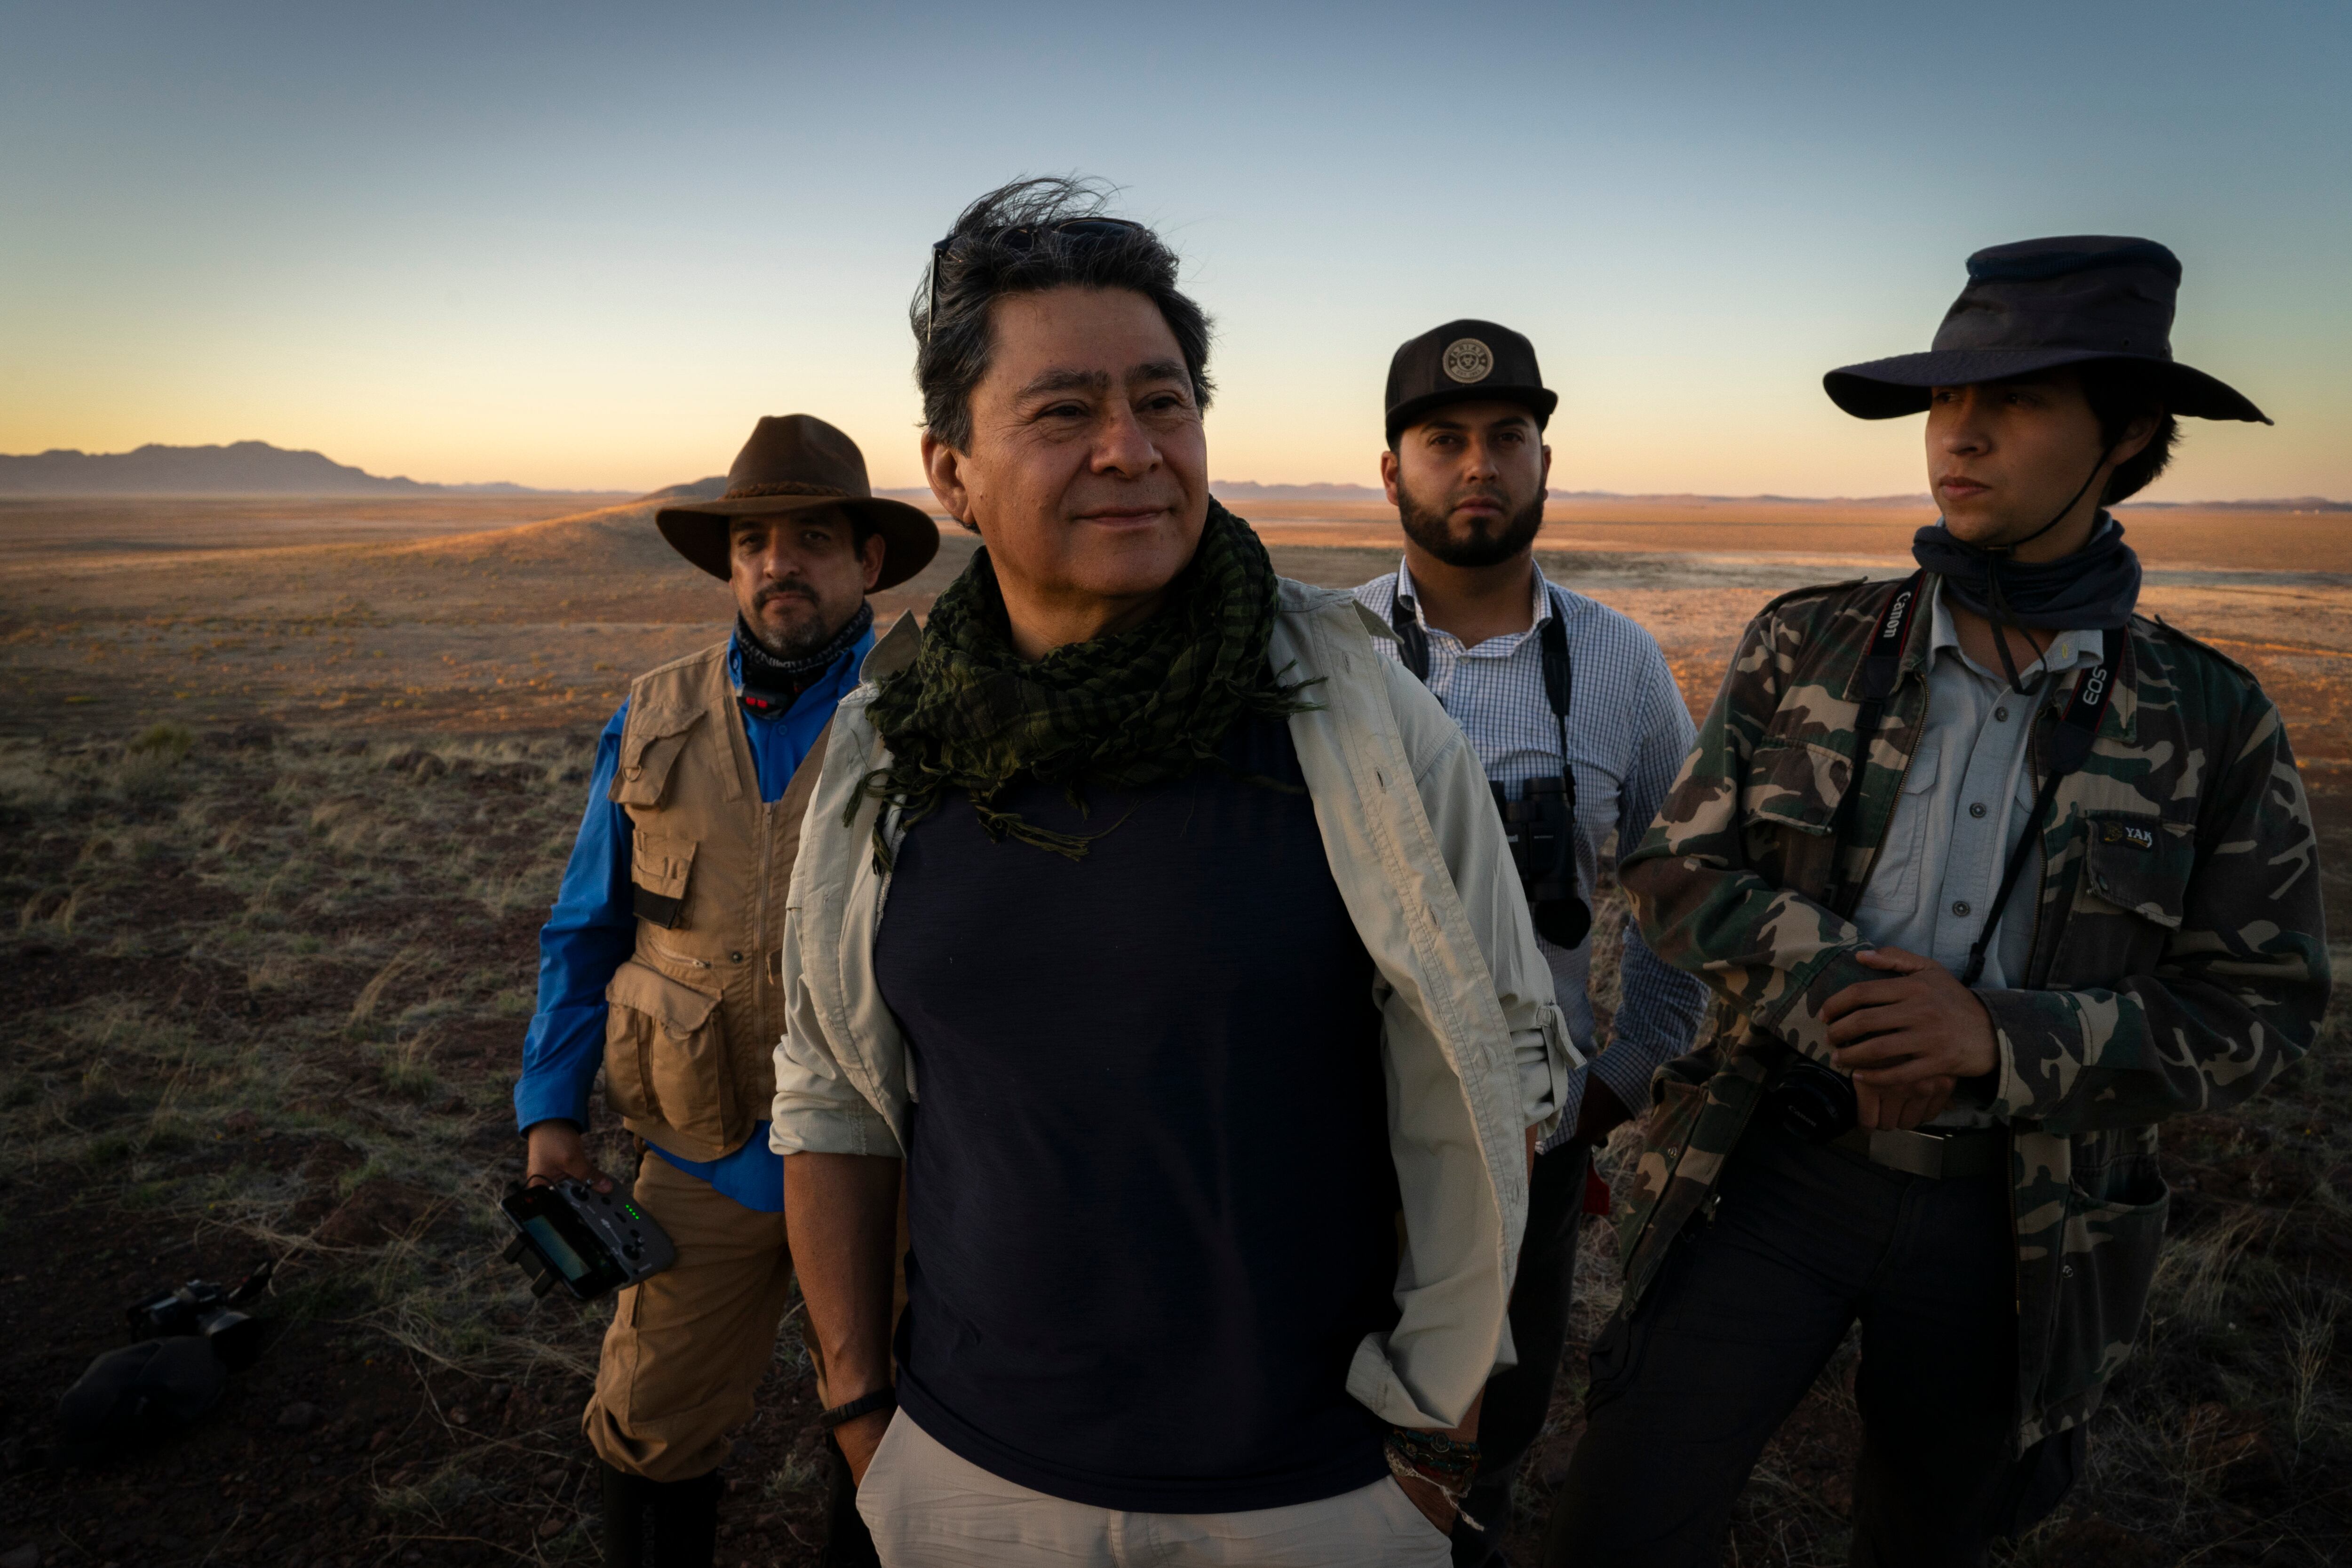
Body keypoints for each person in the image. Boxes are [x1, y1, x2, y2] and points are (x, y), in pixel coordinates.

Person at [772, 176, 1578, 1568]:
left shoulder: (1361, 719)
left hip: (1311, 1483)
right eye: (1064, 410)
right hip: (968, 1468)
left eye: (1164, 401)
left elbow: (1499, 1061)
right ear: (950, 470)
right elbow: (831, 1089)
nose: (1131, 450)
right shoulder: (886, 747)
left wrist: (1431, 1441)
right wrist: (858, 1405)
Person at [1543, 236, 2331, 1567]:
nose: (1954, 437)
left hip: (2020, 1227)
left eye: (2012, 402)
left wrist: (1997, 1038)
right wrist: (1842, 989)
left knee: (1929, 1535)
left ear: (2127, 431)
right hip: (1771, 1170)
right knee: (1620, 1514)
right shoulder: (1812, 643)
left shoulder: (2212, 719)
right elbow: (1672, 872)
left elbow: (2262, 1013)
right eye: (1945, 401)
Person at [513, 414, 936, 1567]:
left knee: (889, 1432)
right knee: (650, 1423)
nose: (777, 562)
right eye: (752, 539)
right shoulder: (654, 715)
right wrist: (552, 1111)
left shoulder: (936, 708)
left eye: (811, 535)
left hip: (890, 1163)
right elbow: (586, 923)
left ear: (871, 561)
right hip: (701, 1149)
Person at [1351, 319, 1708, 1560]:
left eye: (1509, 436)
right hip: (1331, 1143)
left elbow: (1686, 893)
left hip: (1532, 1143)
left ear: (1547, 462)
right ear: (1391, 471)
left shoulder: (1619, 663)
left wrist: (1628, 1070)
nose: (1479, 463)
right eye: (1442, 439)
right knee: (1313, 1428)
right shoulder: (1319, 652)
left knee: (1489, 1435)